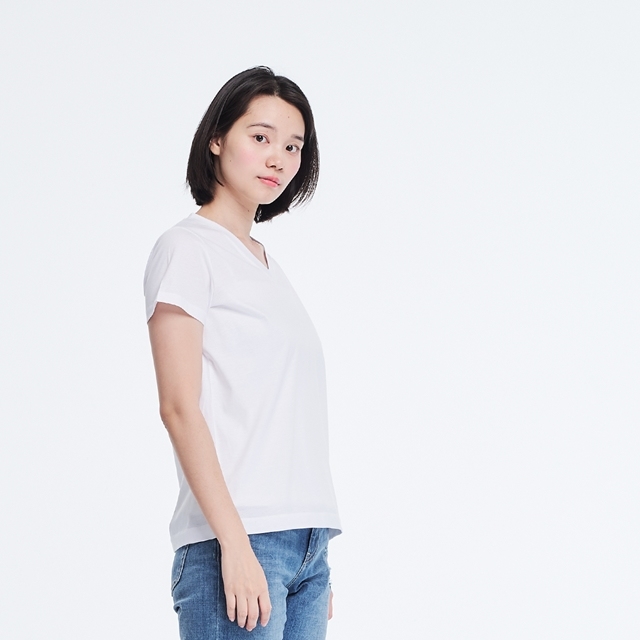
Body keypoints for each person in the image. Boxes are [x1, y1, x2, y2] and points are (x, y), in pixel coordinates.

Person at [143, 67, 341, 640]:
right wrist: (234, 544)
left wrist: (312, 554)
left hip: (305, 545)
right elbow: (179, 407)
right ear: (216, 139)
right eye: (260, 137)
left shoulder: (266, 264)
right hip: (237, 539)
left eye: (293, 146)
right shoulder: (187, 249)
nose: (278, 157)